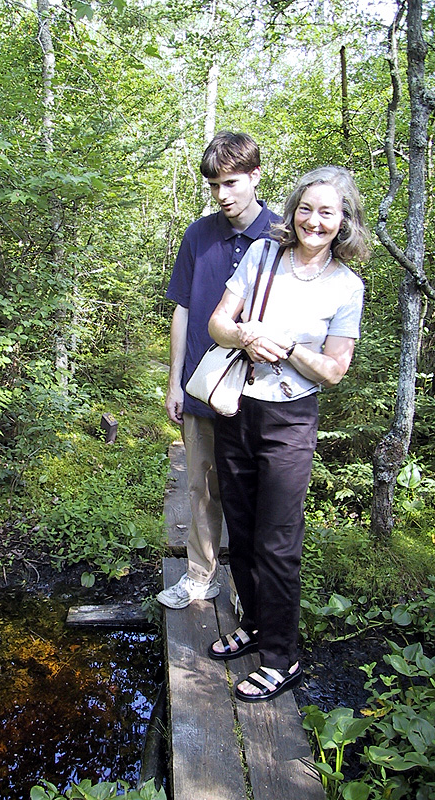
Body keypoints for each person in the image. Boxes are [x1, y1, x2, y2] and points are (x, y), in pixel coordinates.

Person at [206, 165, 371, 701]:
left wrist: (287, 346)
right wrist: (246, 335)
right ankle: (254, 626)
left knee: (278, 542)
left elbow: (333, 370)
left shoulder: (347, 286)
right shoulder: (261, 256)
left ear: (344, 221)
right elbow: (216, 324)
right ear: (293, 209)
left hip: (290, 423)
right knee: (243, 531)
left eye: (328, 212)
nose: (314, 220)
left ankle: (283, 656)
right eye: (306, 208)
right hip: (237, 409)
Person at [157, 131, 280, 610]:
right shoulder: (198, 235)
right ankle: (199, 577)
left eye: (231, 182)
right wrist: (174, 383)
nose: (222, 195)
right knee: (201, 486)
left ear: (255, 175)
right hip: (203, 386)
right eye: (214, 186)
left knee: (256, 495)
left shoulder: (282, 233)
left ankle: (255, 593)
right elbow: (183, 310)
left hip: (262, 391)